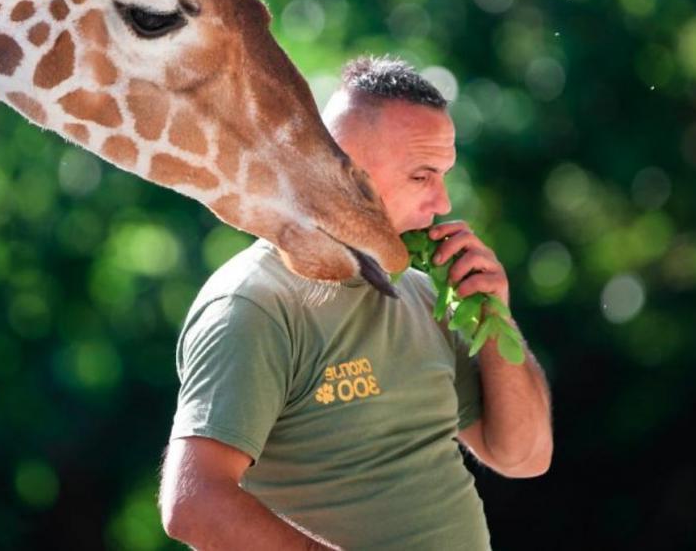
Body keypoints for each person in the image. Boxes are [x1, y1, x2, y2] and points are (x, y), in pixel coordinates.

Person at [158, 56, 553, 550]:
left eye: (443, 175)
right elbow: (194, 505)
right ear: (344, 171)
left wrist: (496, 317)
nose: (443, 203)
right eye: (421, 176)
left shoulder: (423, 293)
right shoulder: (254, 302)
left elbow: (524, 457)